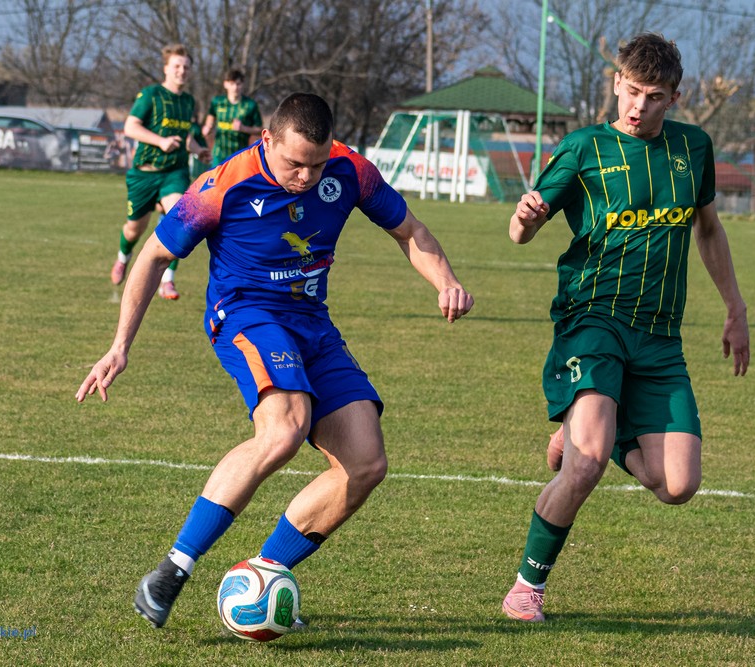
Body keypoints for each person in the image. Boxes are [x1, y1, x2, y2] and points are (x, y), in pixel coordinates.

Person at [76, 92, 474, 630]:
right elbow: (154, 255)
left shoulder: (352, 170)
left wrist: (446, 281)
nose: (307, 177)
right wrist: (120, 345)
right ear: (268, 139)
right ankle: (171, 571)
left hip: (313, 324)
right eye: (294, 164)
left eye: (317, 164)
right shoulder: (222, 185)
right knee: (285, 429)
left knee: (365, 463)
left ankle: (263, 575)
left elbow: (411, 232)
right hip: (247, 315)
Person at [500, 33, 750, 622]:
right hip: (593, 319)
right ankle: (527, 588)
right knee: (583, 465)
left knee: (677, 485)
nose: (639, 106)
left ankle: (599, 432)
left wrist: (735, 308)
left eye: (654, 96)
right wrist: (524, 217)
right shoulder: (584, 148)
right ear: (616, 83)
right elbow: (520, 232)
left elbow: (708, 229)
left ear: (674, 98)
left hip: (660, 334)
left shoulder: (693, 147)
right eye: (632, 90)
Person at [110, 43, 210, 301]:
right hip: (145, 174)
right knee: (134, 229)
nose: (182, 71)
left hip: (174, 173)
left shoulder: (188, 101)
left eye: (186, 67)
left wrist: (198, 150)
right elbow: (131, 127)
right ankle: (123, 256)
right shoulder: (151, 94)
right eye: (177, 66)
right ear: (166, 68)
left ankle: (168, 280)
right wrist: (160, 141)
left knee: (180, 219)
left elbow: (186, 138)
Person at [200, 68, 263, 169]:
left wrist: (244, 128)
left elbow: (260, 129)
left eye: (238, 84)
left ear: (242, 84)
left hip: (240, 155)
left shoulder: (250, 105)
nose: (235, 87)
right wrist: (207, 127)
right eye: (232, 84)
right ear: (225, 84)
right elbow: (210, 117)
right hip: (219, 154)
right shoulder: (217, 102)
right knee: (215, 179)